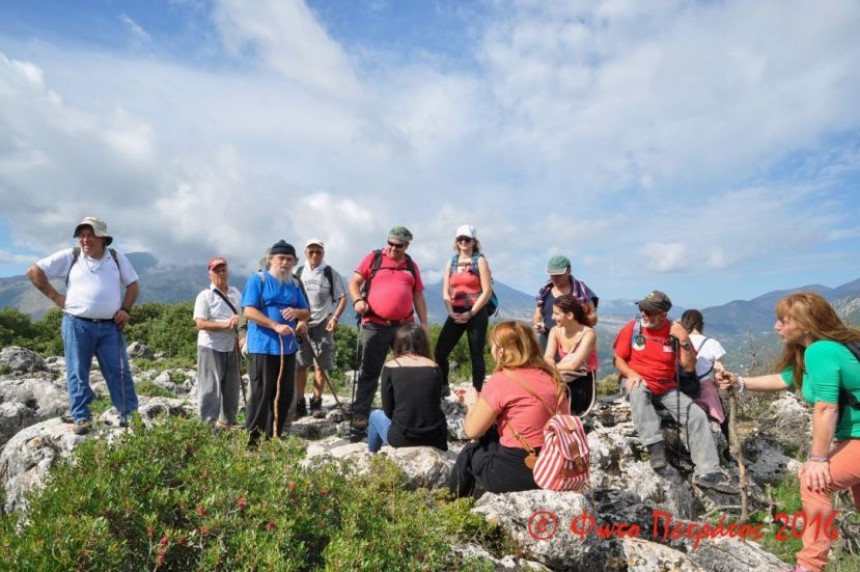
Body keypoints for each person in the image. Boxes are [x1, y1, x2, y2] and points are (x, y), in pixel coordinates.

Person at [717, 292, 860, 572]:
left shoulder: (821, 351)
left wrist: (818, 459)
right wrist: (741, 381)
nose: (776, 326)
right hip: (852, 438)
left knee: (813, 481)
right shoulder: (821, 350)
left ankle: (809, 566)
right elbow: (786, 379)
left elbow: (826, 408)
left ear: (805, 324)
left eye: (783, 320)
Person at [26, 216, 139, 435]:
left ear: (103, 239)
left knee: (120, 372)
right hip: (77, 324)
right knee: (77, 372)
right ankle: (82, 417)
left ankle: (130, 416)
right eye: (82, 235)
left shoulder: (116, 258)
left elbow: (133, 286)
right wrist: (56, 297)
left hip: (110, 327)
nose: (85, 240)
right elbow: (34, 271)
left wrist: (126, 309)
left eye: (91, 235)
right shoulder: (72, 256)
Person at [613, 290, 734, 491]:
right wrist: (632, 374)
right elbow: (618, 359)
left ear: (663, 315)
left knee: (695, 415)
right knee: (638, 391)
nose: (644, 314)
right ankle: (655, 446)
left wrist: (684, 340)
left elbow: (687, 367)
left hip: (665, 387)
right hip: (637, 381)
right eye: (642, 309)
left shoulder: (674, 333)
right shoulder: (632, 329)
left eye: (649, 311)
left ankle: (708, 470)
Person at [448, 321, 569, 498]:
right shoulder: (553, 377)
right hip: (556, 467)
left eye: (493, 347)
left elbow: (472, 431)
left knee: (470, 451)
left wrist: (472, 402)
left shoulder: (502, 380)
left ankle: (453, 507)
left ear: (501, 351)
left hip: (521, 470)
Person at [348, 226, 429, 430]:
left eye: (398, 246)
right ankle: (361, 412)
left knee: (408, 369)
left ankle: (404, 412)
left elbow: (418, 294)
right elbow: (354, 282)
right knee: (370, 370)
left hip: (404, 325)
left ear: (407, 245)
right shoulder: (373, 258)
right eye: (390, 244)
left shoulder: (411, 265)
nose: (392, 249)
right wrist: (358, 300)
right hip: (375, 324)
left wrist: (424, 323)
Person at [241, 240, 310, 447]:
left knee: (284, 394)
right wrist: (274, 325)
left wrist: (298, 316)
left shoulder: (295, 283)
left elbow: (306, 312)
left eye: (289, 259)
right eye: (281, 258)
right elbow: (249, 311)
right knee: (261, 394)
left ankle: (275, 438)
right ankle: (252, 442)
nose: (285, 263)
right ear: (271, 259)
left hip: (287, 348)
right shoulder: (258, 279)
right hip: (262, 346)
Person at [367, 324, 448, 453]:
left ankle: (372, 455)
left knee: (374, 415)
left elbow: (388, 411)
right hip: (436, 436)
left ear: (398, 343)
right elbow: (434, 402)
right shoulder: (435, 367)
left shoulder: (391, 367)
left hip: (402, 437)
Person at [434, 224, 493, 393]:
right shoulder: (451, 263)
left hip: (476, 311)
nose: (463, 242)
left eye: (467, 239)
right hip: (455, 311)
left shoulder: (480, 260)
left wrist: (471, 312)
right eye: (460, 239)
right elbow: (445, 291)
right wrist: (451, 312)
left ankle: (477, 391)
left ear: (474, 241)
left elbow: (487, 291)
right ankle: (443, 385)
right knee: (440, 352)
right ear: (456, 241)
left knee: (476, 353)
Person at [293, 239, 347, 418]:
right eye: (311, 251)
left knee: (320, 367)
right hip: (301, 325)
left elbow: (342, 297)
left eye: (318, 251)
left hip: (322, 325)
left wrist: (335, 317)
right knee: (300, 365)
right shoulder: (298, 272)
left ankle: (316, 404)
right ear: (305, 252)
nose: (315, 255)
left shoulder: (330, 273)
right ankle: (299, 404)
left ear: (323, 253)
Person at [193, 256, 243, 429]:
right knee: (210, 387)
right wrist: (226, 324)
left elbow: (244, 314)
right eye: (217, 271)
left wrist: (240, 320)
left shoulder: (236, 293)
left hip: (232, 345)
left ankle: (229, 421)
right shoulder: (204, 296)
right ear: (210, 274)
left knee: (232, 386)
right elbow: (200, 323)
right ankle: (208, 426)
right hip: (210, 346)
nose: (221, 273)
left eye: (223, 270)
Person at [679, 309, 729, 444]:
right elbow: (719, 369)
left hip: (682, 389)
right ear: (701, 324)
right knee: (722, 418)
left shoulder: (679, 342)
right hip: (706, 390)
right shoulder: (712, 343)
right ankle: (726, 453)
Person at [543, 294, 598, 416]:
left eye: (556, 314)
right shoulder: (555, 331)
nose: (552, 317)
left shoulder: (588, 334)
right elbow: (548, 356)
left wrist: (549, 367)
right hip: (564, 376)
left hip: (583, 381)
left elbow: (574, 365)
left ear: (570, 315)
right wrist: (549, 363)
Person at [532, 255, 599, 352]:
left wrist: (574, 322)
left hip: (574, 345)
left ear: (569, 271)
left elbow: (593, 318)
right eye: (552, 275)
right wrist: (538, 325)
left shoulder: (581, 291)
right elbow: (537, 315)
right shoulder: (545, 291)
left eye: (558, 275)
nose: (555, 278)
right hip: (547, 344)